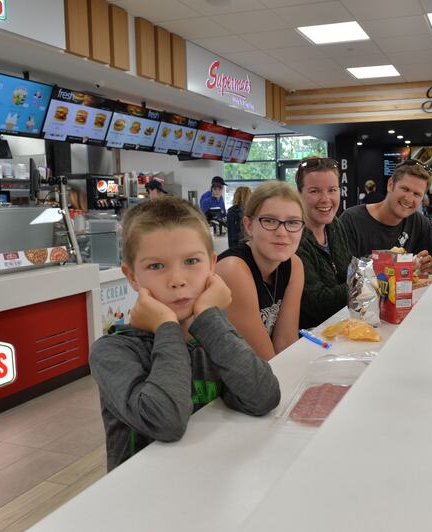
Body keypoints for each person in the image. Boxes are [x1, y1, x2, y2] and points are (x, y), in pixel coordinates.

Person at [89, 197, 280, 471]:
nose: (177, 280)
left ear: (212, 265)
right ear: (131, 276)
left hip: (208, 478)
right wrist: (166, 326)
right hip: (142, 490)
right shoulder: (112, 352)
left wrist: (209, 318)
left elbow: (263, 397)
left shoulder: (212, 333)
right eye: (156, 266)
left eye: (191, 261)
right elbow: (166, 422)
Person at [215, 181, 305, 361]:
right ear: (249, 225)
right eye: (269, 221)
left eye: (292, 222)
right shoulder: (233, 269)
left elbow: (285, 341)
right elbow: (263, 360)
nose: (282, 232)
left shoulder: (294, 265)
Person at [340, 160, 432, 275]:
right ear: (390, 185)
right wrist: (376, 263)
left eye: (417, 194)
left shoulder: (418, 222)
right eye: (405, 189)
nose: (409, 199)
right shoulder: (351, 220)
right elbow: (342, 273)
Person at [294, 157, 353, 329]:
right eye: (315, 191)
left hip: (343, 325)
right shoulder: (293, 237)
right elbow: (320, 304)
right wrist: (366, 279)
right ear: (299, 194)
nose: (325, 199)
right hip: (311, 336)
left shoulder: (335, 224)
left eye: (332, 190)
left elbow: (348, 272)